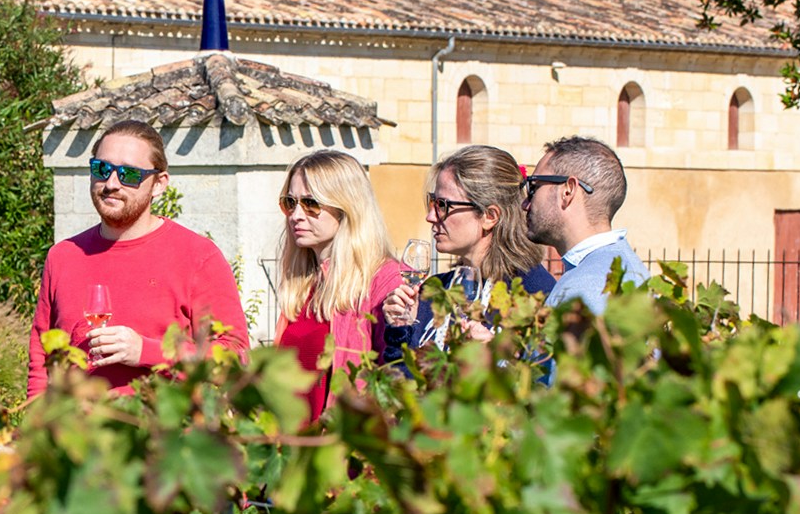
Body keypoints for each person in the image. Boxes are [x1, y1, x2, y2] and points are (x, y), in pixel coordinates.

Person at [27, 119, 250, 397]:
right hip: (77, 436)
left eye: (129, 174)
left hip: (163, 436)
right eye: (102, 169)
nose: (111, 183)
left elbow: (235, 358)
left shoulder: (198, 257)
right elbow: (41, 361)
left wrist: (146, 351)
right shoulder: (63, 256)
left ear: (159, 184)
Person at [381, 145, 556, 361]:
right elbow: (401, 385)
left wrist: (500, 360)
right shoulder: (432, 293)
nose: (430, 216)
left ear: (489, 216)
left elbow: (545, 386)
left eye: (443, 205)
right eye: (432, 202)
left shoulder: (535, 294)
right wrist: (402, 330)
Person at [273, 149, 405, 421]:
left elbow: (395, 376)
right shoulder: (303, 282)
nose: (296, 215)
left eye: (310, 203)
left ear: (347, 208)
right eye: (290, 202)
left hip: (344, 449)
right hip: (292, 449)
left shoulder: (384, 280)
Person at [523, 135, 648, 314]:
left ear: (568, 191)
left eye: (533, 187)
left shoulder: (585, 289)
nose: (525, 204)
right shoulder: (619, 268)